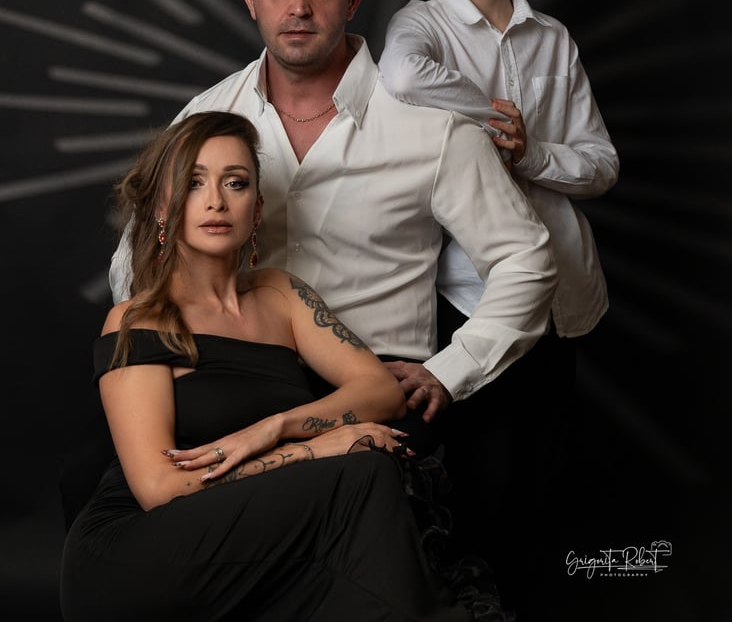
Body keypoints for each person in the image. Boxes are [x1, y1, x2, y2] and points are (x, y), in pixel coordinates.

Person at [108, 0, 557, 438]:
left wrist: (451, 369)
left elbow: (525, 259)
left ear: (353, 0)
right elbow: (135, 258)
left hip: (376, 388)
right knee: (99, 469)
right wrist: (173, 365)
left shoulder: (433, 128)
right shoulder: (208, 116)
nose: (298, 7)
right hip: (232, 381)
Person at [60, 110, 470, 621]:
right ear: (163, 207)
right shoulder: (138, 320)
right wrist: (315, 448)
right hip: (140, 549)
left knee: (362, 497)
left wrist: (274, 428)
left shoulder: (281, 294)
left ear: (256, 209)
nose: (216, 201)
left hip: (253, 533)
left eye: (235, 183)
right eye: (194, 183)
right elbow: (160, 490)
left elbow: (381, 392)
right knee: (360, 475)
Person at [378, 0, 620, 613]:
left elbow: (601, 164)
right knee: (479, 476)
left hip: (565, 293)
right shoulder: (420, 25)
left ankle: (535, 600)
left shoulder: (553, 39)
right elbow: (402, 79)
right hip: (470, 293)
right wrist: (490, 116)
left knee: (543, 478)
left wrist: (530, 152)